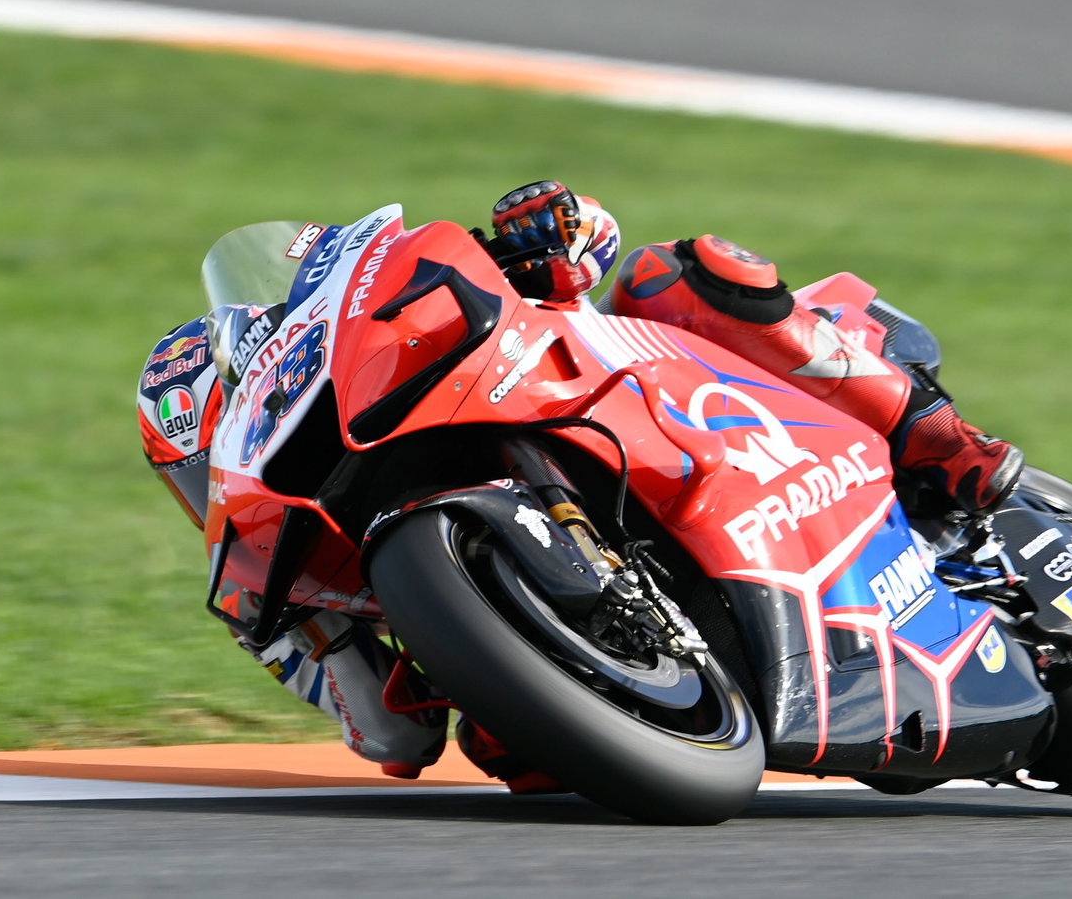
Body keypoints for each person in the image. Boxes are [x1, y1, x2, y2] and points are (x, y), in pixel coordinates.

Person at [137, 181, 1022, 789]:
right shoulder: (270, 609)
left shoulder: (409, 341)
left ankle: (943, 440)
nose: (206, 484)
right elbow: (394, 737)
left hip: (663, 409)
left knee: (673, 272)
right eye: (192, 469)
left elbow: (587, 244)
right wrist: (342, 642)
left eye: (213, 440)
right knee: (510, 756)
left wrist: (545, 233)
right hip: (600, 694)